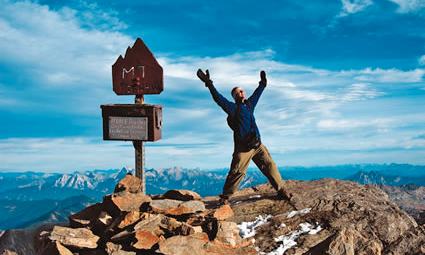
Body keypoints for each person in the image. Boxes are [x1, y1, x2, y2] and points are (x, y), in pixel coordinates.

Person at [196, 69, 291, 204]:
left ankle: (281, 190)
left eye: (242, 91)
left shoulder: (249, 105)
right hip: (243, 149)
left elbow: (257, 94)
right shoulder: (232, 108)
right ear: (234, 97)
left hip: (258, 145)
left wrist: (262, 84)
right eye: (238, 92)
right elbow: (218, 99)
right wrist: (209, 84)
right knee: (237, 172)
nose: (242, 93)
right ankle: (226, 197)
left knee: (270, 165)